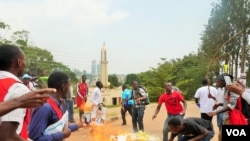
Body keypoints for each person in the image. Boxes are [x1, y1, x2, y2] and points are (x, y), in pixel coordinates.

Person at [0, 44, 42, 140]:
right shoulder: (18, 89)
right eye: (25, 60)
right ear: (18, 62)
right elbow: (7, 137)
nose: (25, 64)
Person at [29, 71, 83, 141]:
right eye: (68, 86)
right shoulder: (44, 107)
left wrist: (79, 125)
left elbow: (60, 127)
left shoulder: (60, 104)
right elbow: (35, 138)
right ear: (63, 87)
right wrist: (62, 135)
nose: (69, 90)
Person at [207, 73, 244, 141]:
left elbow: (232, 105)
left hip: (232, 117)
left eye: (218, 81)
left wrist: (215, 112)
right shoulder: (227, 89)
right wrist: (219, 104)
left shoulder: (233, 89)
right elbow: (228, 102)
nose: (217, 83)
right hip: (227, 117)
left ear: (224, 81)